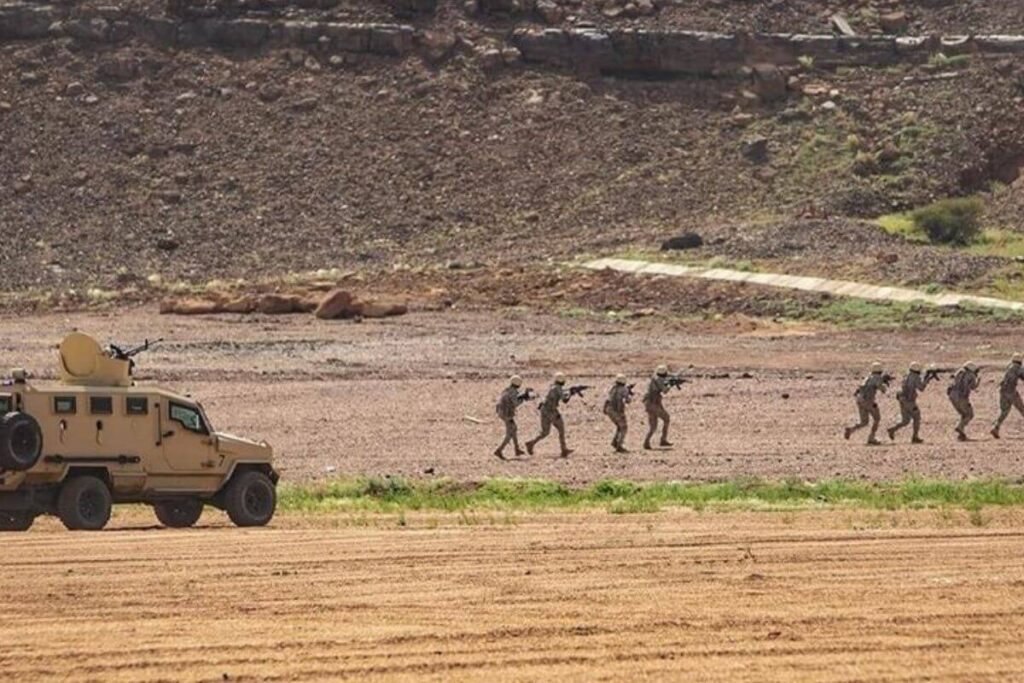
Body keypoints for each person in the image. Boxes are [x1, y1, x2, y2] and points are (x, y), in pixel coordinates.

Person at [526, 372, 572, 458]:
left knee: (545, 432)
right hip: (551, 411)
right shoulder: (558, 389)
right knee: (561, 429)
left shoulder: (552, 387)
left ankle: (531, 443)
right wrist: (570, 394)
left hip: (544, 410)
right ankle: (564, 449)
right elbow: (565, 400)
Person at [887, 362, 935, 444]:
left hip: (902, 399)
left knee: (905, 420)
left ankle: (892, 429)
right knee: (917, 417)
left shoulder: (907, 375)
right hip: (909, 401)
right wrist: (927, 380)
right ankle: (915, 437)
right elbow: (921, 388)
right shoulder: (915, 377)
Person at [844, 362, 887, 445]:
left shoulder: (868, 377)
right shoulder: (877, 377)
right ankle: (871, 437)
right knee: (877, 418)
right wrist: (884, 383)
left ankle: (851, 429)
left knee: (864, 422)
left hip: (860, 400)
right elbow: (883, 389)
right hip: (867, 400)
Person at [494, 375, 527, 460]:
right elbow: (516, 403)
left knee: (514, 429)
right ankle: (499, 450)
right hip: (506, 413)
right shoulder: (512, 392)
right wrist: (523, 399)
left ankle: (517, 448)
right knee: (510, 432)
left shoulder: (508, 389)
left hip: (503, 412)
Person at [991, 354, 1024, 439]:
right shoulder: (1017, 368)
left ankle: (995, 427)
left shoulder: (1009, 366)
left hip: (1002, 391)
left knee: (1004, 411)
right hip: (1011, 392)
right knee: (1022, 410)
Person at [948, 361, 981, 441]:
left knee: (963, 414)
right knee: (969, 415)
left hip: (952, 396)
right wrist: (978, 382)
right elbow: (973, 387)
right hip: (961, 397)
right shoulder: (971, 375)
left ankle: (961, 434)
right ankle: (960, 427)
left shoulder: (959, 372)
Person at [643, 365, 673, 450]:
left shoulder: (655, 379)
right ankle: (663, 440)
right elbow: (665, 391)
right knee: (666, 418)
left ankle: (646, 442)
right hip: (653, 404)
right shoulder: (660, 380)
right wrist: (670, 385)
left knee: (653, 426)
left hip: (650, 404)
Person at [604, 375, 632, 453]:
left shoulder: (613, 388)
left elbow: (608, 399)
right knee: (624, 427)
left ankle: (615, 442)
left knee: (619, 426)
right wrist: (629, 394)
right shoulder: (624, 389)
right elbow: (628, 401)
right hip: (616, 410)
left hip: (609, 409)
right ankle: (619, 446)